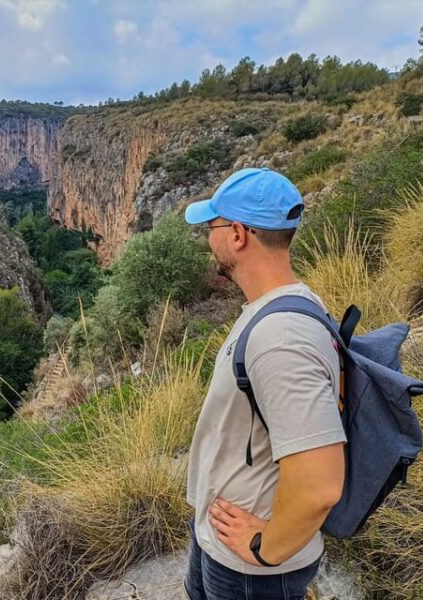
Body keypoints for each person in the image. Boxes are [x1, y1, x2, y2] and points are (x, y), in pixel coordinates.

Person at [182, 167, 346, 600]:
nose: (207, 237)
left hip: (250, 572)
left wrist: (264, 549)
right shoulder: (283, 306)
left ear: (237, 234)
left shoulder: (281, 341)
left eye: (212, 226)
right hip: (222, 541)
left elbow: (320, 485)